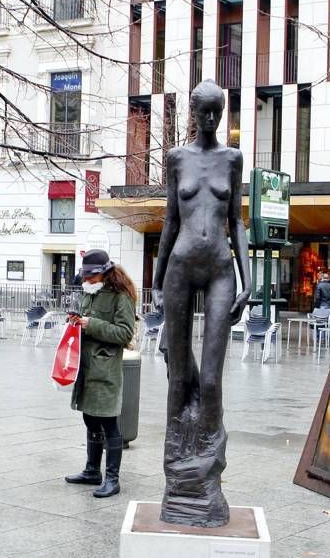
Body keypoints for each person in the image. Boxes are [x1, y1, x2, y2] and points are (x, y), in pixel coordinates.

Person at [152, 80, 251, 526]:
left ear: (223, 113)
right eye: (203, 112)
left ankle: (206, 465)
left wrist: (250, 280)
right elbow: (170, 223)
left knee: (210, 379)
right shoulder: (176, 159)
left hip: (219, 271)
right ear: (192, 113)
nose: (210, 119)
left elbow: (236, 223)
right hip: (179, 267)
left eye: (217, 112)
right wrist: (155, 284)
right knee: (178, 375)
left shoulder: (232, 159)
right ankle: (178, 466)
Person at [64, 249, 136, 499]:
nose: (87, 280)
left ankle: (112, 479)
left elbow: (125, 334)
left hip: (105, 368)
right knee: (90, 419)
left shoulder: (121, 297)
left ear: (104, 273)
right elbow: (86, 321)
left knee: (108, 423)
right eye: (86, 276)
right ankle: (92, 470)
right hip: (85, 367)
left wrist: (90, 324)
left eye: (91, 276)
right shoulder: (88, 293)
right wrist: (76, 322)